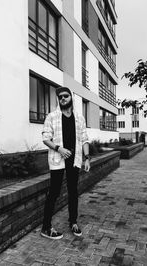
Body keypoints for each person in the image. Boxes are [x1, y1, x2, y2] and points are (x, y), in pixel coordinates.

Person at [40, 86, 91, 240]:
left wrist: (87, 158)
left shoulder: (79, 118)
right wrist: (59, 149)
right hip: (57, 160)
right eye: (60, 97)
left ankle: (73, 222)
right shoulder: (52, 117)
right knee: (54, 193)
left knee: (73, 192)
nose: (62, 99)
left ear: (71, 98)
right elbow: (45, 138)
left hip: (74, 160)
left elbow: (84, 139)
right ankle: (46, 227)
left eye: (65, 96)